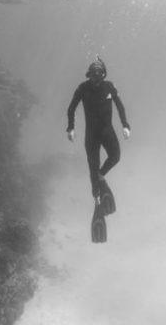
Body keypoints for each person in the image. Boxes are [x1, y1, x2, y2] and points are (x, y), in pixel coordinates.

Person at [66, 57, 130, 238]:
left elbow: (120, 106)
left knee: (115, 156)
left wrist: (126, 125)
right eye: (93, 74)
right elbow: (71, 108)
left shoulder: (109, 86)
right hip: (91, 135)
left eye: (99, 74)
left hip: (107, 131)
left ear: (103, 74)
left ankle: (101, 178)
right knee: (93, 169)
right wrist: (70, 127)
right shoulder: (82, 88)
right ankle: (97, 202)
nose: (96, 78)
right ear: (89, 74)